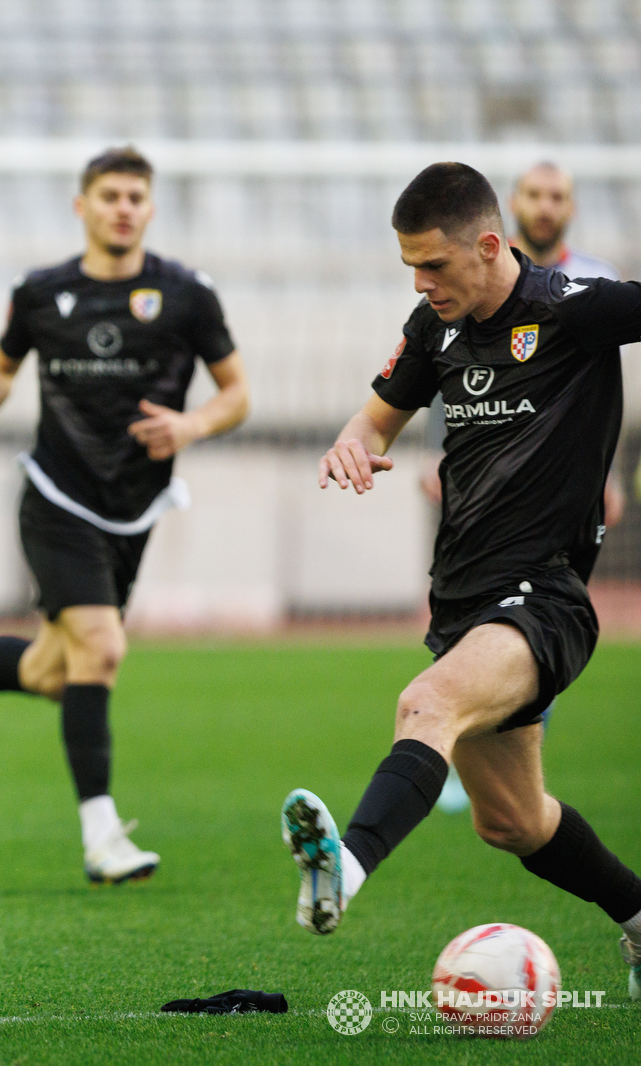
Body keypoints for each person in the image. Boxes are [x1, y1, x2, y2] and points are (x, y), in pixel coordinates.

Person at [283, 163, 641, 1000]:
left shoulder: (571, 309)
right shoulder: (433, 327)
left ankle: (344, 869)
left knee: (426, 705)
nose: (421, 282)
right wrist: (352, 443)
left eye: (434, 264)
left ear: (487, 245)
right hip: (463, 604)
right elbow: (376, 417)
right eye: (410, 265)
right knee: (512, 820)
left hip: (546, 597)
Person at [0, 147, 250, 886]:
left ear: (150, 209)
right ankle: (102, 836)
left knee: (54, 672)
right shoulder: (41, 292)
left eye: (135, 197)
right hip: (56, 498)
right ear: (82, 207)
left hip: (133, 509)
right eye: (110, 195)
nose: (123, 208)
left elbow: (237, 393)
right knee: (102, 651)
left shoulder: (186, 295)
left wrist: (191, 425)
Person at [423, 160, 625, 815]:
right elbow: (446, 367)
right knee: (473, 605)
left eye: (556, 195)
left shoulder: (589, 282)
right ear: (511, 207)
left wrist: (610, 472)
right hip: (480, 479)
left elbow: (603, 385)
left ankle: (491, 744)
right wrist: (434, 452)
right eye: (534, 194)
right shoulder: (467, 281)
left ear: (570, 207)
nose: (545, 206)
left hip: (559, 487)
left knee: (536, 612)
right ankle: (474, 749)